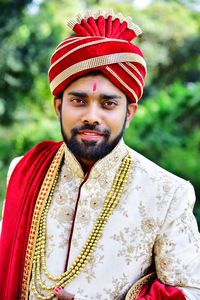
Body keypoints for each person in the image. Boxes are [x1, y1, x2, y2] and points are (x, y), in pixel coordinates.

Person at [0, 9, 200, 300]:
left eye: (108, 104)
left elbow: (192, 290)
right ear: (58, 106)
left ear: (129, 113)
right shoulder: (24, 171)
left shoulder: (167, 193)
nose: (91, 116)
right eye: (78, 101)